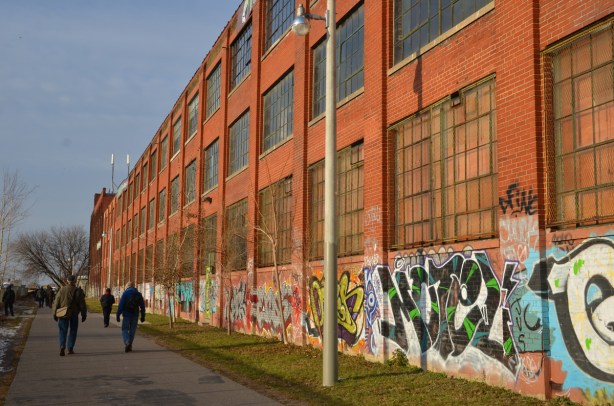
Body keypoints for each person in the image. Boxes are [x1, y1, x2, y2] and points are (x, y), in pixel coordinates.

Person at [52, 275, 87, 356]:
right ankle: (70, 348)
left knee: (63, 331)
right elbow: (82, 304)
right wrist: (83, 314)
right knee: (73, 331)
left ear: (67, 281)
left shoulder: (62, 290)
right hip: (74, 313)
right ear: (75, 281)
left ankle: (62, 345)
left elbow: (56, 302)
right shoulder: (78, 291)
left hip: (63, 313)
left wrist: (54, 313)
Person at [116, 282, 145, 353]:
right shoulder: (138, 294)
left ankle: (127, 342)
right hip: (135, 315)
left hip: (126, 314)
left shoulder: (125, 293)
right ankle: (130, 345)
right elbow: (142, 306)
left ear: (127, 287)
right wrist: (143, 316)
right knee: (132, 330)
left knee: (124, 329)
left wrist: (118, 315)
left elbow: (121, 305)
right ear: (133, 286)